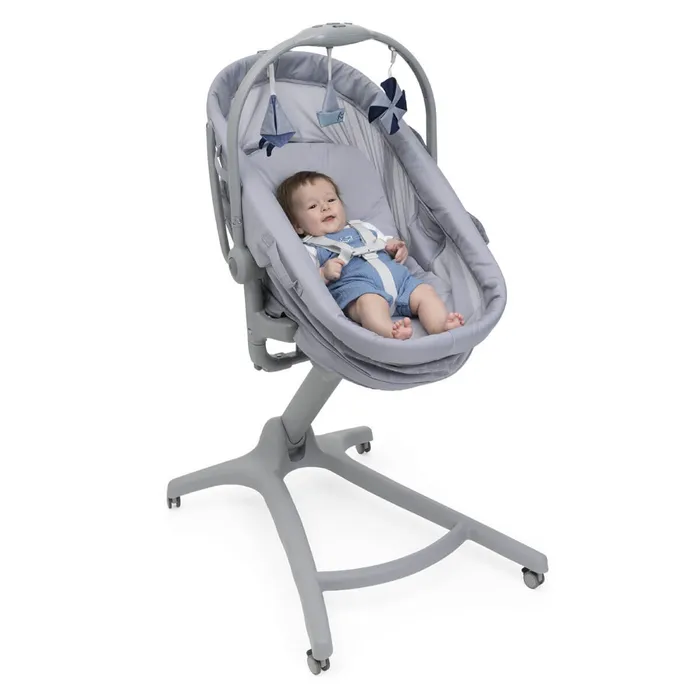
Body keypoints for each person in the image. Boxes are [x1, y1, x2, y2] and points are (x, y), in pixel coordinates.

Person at [276, 170, 464, 340]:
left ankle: (440, 326)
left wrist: (396, 247)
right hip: (360, 290)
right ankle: (390, 331)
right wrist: (323, 273)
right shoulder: (310, 247)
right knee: (369, 304)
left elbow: (387, 243)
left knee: (426, 292)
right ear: (298, 226)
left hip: (402, 283)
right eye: (312, 206)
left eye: (331, 200)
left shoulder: (363, 227)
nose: (325, 207)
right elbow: (306, 280)